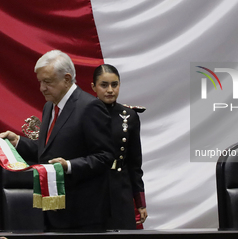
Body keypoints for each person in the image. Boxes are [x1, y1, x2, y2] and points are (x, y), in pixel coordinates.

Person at [0, 50, 116, 231]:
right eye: (40, 82)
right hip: (53, 210)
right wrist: (18, 143)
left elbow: (105, 156)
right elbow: (47, 152)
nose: (42, 88)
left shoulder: (90, 107)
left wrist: (68, 166)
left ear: (67, 79)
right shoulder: (49, 106)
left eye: (47, 82)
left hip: (83, 215)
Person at [91, 64, 147, 229]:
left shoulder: (129, 116)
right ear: (93, 87)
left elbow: (135, 163)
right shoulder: (84, 113)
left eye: (114, 85)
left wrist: (140, 202)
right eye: (104, 85)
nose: (110, 90)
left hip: (120, 186)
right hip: (93, 185)